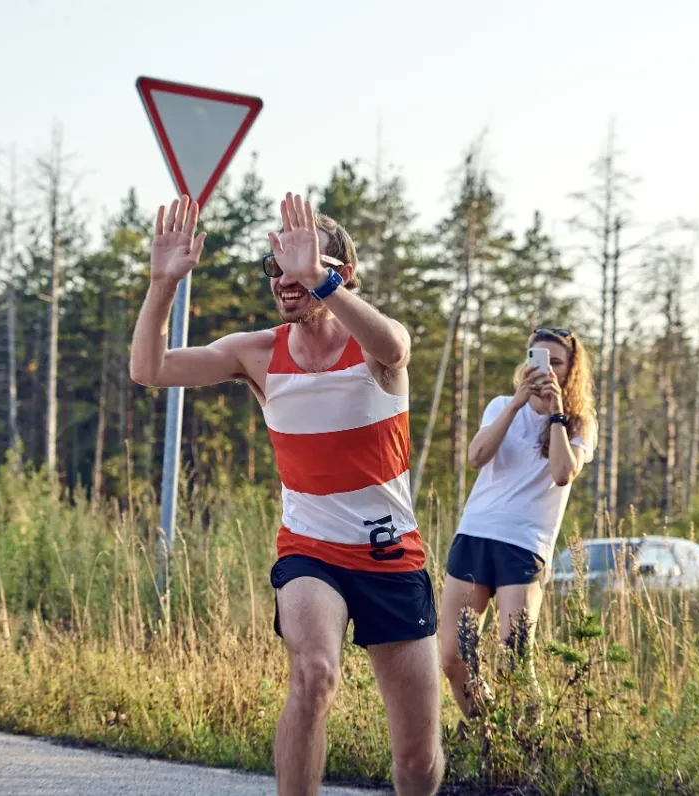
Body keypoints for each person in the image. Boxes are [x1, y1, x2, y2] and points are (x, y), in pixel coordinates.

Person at [130, 193, 444, 796]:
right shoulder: (257, 353)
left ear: (342, 273)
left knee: (416, 758)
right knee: (315, 674)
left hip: (390, 555)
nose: (284, 277)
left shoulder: (374, 349)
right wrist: (162, 284)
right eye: (274, 266)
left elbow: (397, 348)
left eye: (300, 262)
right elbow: (149, 369)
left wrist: (318, 279)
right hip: (310, 551)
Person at [439, 328, 596, 718]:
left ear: (571, 369)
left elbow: (563, 473)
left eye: (556, 362)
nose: (546, 369)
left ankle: (529, 743)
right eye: (538, 360)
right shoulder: (500, 406)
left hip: (524, 545)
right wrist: (516, 404)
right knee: (452, 656)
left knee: (514, 661)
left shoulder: (579, 423)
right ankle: (486, 732)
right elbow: (476, 457)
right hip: (475, 535)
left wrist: (556, 413)